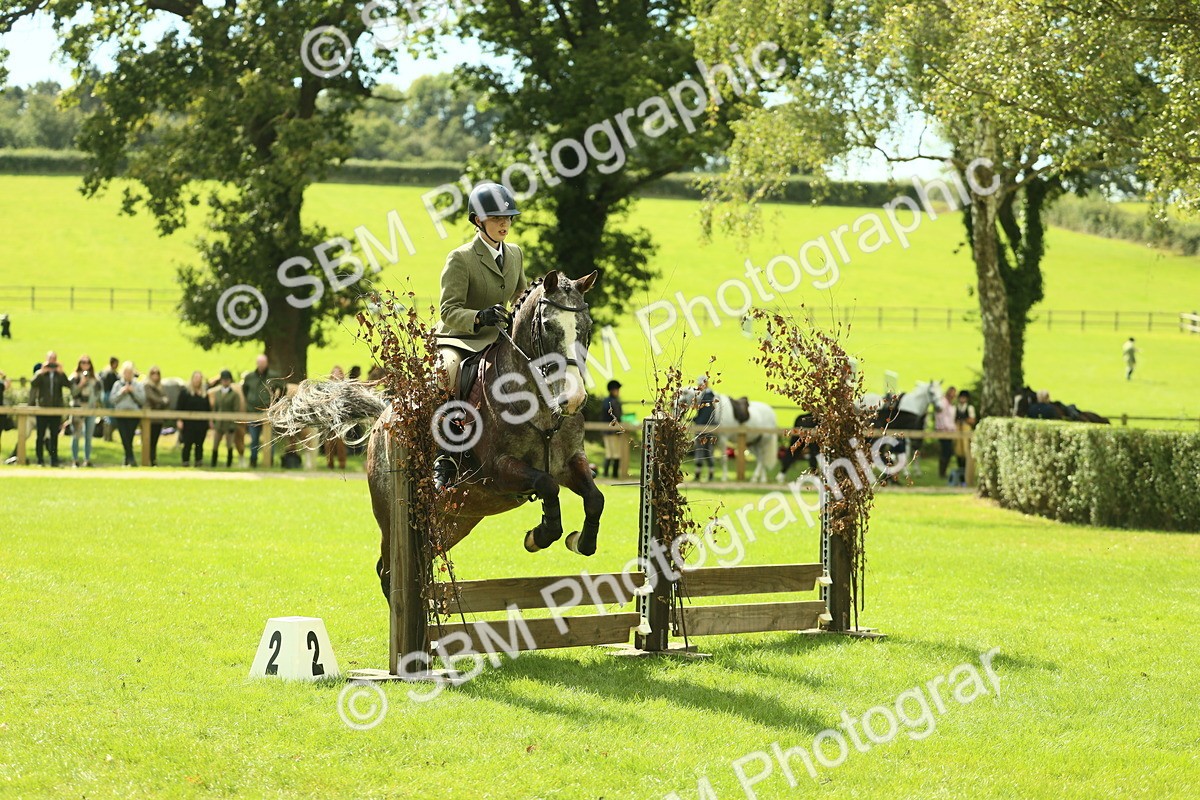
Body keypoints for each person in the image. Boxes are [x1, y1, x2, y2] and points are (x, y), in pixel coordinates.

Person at [431, 182, 528, 490]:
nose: (504, 223)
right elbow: (449, 310)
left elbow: (521, 295)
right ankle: (445, 453)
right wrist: (479, 317)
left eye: (508, 217)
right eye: (497, 217)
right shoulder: (460, 258)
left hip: (500, 338)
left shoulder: (515, 254)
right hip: (462, 338)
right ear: (478, 220)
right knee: (447, 372)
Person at [29, 351, 73, 467]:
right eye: (50, 360)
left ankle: (54, 460)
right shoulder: (41, 374)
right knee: (40, 436)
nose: (52, 363)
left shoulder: (59, 375)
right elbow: (33, 383)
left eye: (54, 360)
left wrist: (62, 372)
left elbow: (68, 385)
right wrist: (41, 372)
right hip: (42, 409)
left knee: (54, 436)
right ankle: (40, 460)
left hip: (56, 409)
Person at [242, 354, 281, 468]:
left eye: (263, 363)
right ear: (257, 363)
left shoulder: (273, 376)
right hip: (253, 412)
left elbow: (283, 388)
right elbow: (245, 390)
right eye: (260, 363)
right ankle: (253, 461)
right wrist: (249, 401)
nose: (261, 365)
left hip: (268, 412)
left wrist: (276, 402)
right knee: (254, 439)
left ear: (267, 363)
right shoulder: (250, 377)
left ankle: (270, 461)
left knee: (269, 439)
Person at [109, 361, 146, 467]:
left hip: (133, 414)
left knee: (129, 437)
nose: (128, 375)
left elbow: (142, 400)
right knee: (124, 437)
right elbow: (112, 399)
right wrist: (122, 392)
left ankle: (128, 459)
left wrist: (133, 391)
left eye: (130, 373)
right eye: (126, 373)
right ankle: (130, 459)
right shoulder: (117, 385)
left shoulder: (138, 385)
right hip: (120, 414)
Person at [69, 355, 102, 467]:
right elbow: (73, 393)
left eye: (87, 362)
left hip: (90, 410)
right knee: (76, 435)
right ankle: (75, 459)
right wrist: (81, 384)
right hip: (77, 409)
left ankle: (87, 459)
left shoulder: (95, 380)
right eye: (82, 362)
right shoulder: (74, 377)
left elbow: (98, 395)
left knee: (89, 436)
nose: (85, 365)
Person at [176, 370, 212, 467]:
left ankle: (198, 461)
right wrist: (179, 420)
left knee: (199, 444)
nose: (197, 381)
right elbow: (179, 407)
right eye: (196, 378)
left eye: (199, 379)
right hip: (188, 423)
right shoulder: (185, 392)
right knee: (187, 443)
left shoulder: (204, 394)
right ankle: (185, 461)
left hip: (201, 423)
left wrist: (210, 421)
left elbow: (208, 408)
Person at [210, 369, 243, 468]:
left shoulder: (234, 395)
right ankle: (213, 463)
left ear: (230, 381)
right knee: (215, 444)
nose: (225, 382)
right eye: (223, 380)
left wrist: (233, 424)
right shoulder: (217, 393)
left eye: (227, 380)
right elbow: (215, 408)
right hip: (219, 423)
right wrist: (213, 420)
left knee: (229, 445)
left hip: (229, 423)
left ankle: (229, 464)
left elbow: (236, 410)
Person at [141, 366, 170, 466]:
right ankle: (148, 460)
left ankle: (153, 460)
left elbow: (167, 400)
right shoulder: (147, 386)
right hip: (149, 419)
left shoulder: (161, 387)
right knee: (147, 440)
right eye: (153, 373)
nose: (155, 376)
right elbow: (152, 398)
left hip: (158, 418)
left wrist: (161, 402)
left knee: (154, 441)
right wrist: (161, 401)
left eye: (157, 373)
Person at [693, 375, 717, 482]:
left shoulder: (708, 396)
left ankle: (708, 474)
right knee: (704, 450)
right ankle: (702, 473)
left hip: (705, 427)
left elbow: (706, 414)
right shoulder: (707, 395)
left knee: (705, 450)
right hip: (706, 426)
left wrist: (697, 421)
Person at [325, 366, 349, 470]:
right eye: (335, 373)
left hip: (341, 420)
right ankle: (330, 463)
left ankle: (342, 463)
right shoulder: (327, 387)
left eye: (339, 373)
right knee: (329, 443)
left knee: (340, 444)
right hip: (329, 419)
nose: (337, 375)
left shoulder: (345, 387)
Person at [951, 390, 977, 486]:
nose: (962, 399)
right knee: (958, 452)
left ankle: (966, 477)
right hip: (958, 430)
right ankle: (961, 477)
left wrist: (964, 420)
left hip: (966, 430)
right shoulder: (956, 408)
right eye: (961, 397)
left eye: (964, 398)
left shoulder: (969, 408)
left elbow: (972, 420)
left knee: (966, 452)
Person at [599, 380, 624, 478]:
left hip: (607, 431)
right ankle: (614, 474)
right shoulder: (613, 402)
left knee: (610, 452)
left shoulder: (607, 401)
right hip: (612, 431)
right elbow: (617, 416)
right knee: (615, 453)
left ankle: (607, 473)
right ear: (613, 390)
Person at [933, 385, 958, 480]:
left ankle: (943, 472)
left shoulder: (950, 404)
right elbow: (941, 417)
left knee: (948, 451)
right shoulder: (943, 403)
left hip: (949, 431)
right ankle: (942, 472)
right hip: (943, 430)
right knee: (945, 451)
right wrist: (946, 427)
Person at [99, 356, 120, 441]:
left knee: (107, 416)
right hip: (109, 395)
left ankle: (106, 436)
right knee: (111, 417)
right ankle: (108, 437)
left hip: (104, 395)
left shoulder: (104, 371)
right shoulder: (111, 373)